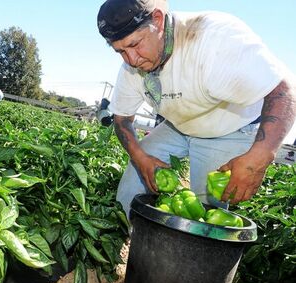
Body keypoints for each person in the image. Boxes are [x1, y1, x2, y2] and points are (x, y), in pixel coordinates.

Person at [97, 0, 296, 216]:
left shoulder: (214, 38)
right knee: (130, 190)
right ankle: (136, 238)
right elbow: (121, 119)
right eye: (121, 51)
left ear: (158, 20)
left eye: (135, 44)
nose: (131, 60)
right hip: (178, 126)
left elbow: (284, 92)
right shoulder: (131, 67)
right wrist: (140, 158)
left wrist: (259, 156)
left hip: (229, 127)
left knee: (205, 213)